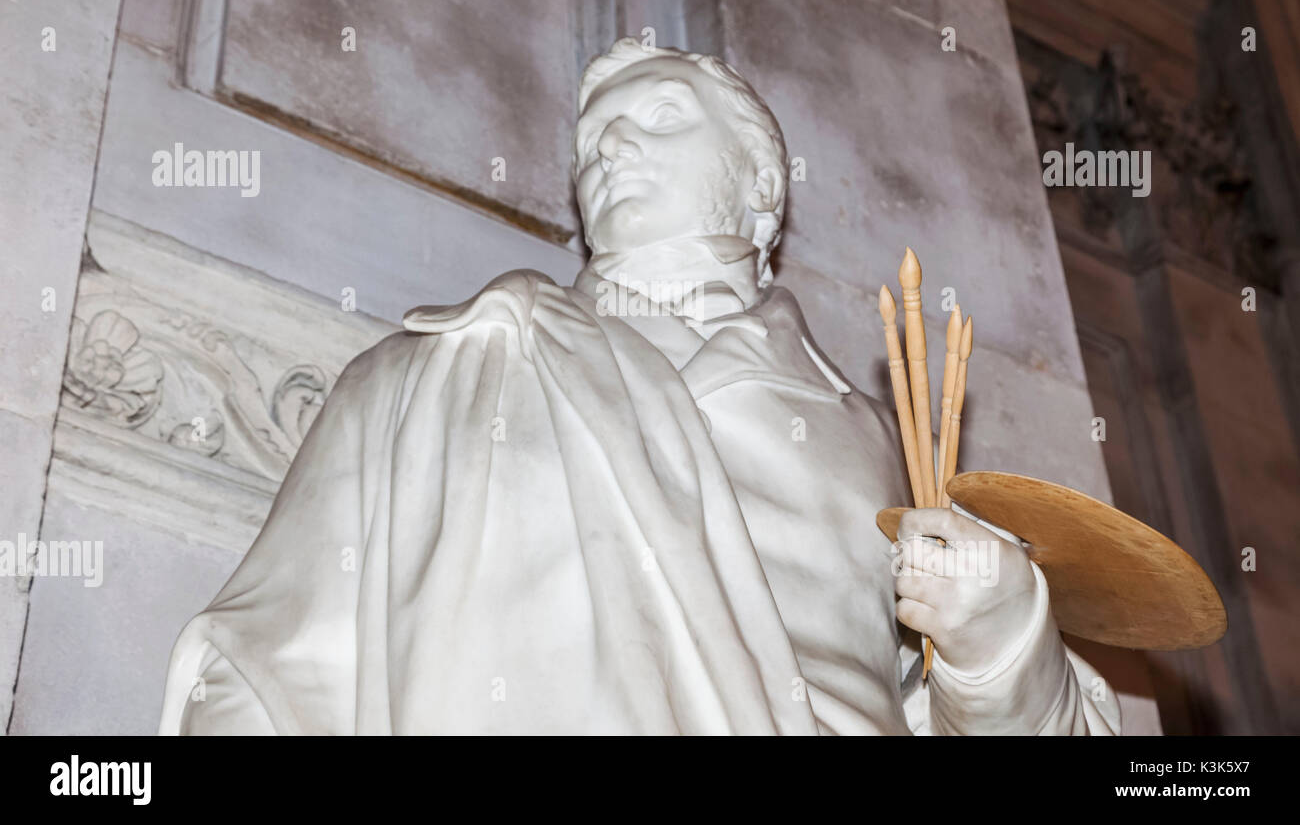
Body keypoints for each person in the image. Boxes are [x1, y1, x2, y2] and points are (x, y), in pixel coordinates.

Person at [159, 38, 1120, 735]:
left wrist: (998, 641)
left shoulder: (890, 447)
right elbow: (267, 667)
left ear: (762, 188)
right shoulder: (430, 374)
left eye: (657, 119)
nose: (609, 149)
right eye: (593, 140)